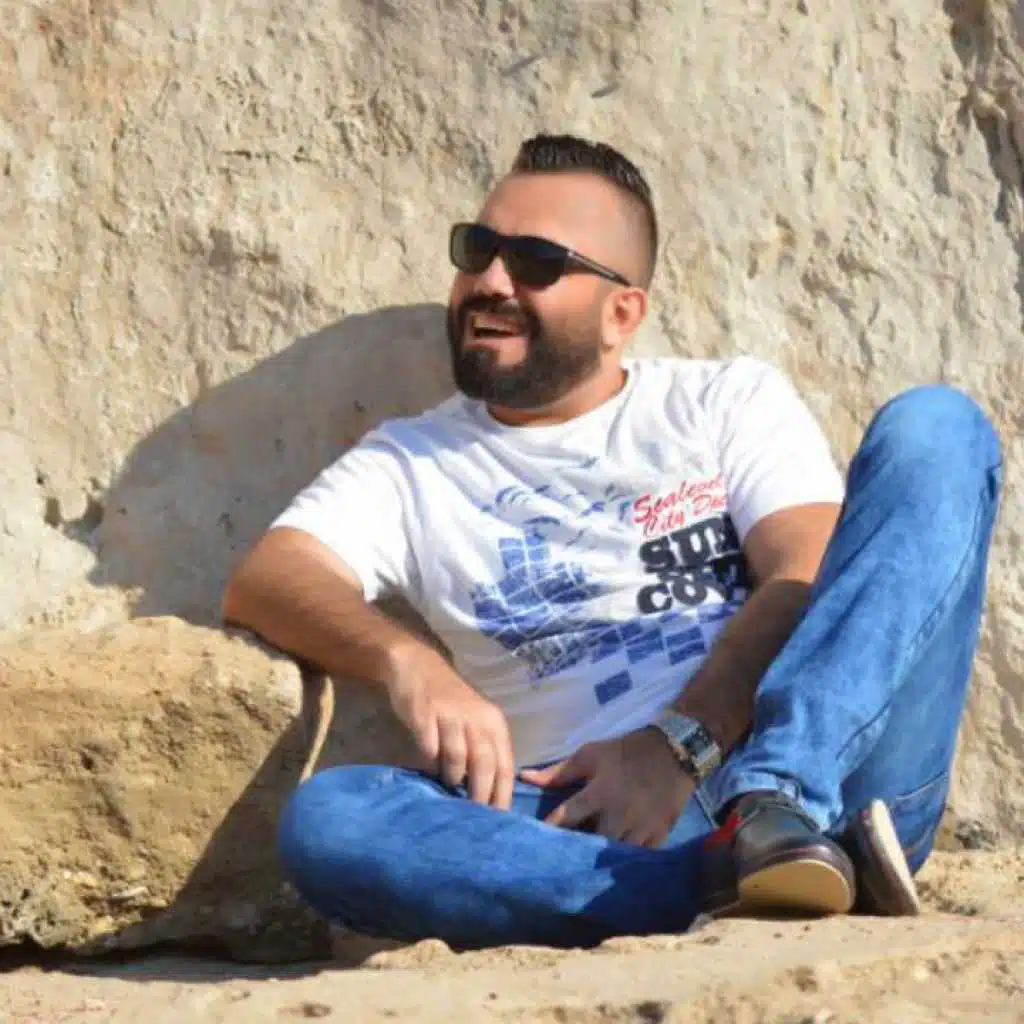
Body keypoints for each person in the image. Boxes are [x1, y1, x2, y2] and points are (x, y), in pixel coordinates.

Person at [222, 134, 1003, 950]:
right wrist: (406, 663)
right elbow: (269, 578)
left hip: (837, 772)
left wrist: (680, 747)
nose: (491, 281)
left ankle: (778, 815)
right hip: (592, 826)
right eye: (478, 249)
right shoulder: (412, 463)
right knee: (332, 819)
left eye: (536, 263)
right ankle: (716, 881)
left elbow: (804, 572)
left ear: (621, 313)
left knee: (939, 426)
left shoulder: (721, 402)